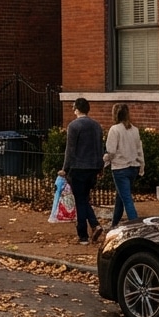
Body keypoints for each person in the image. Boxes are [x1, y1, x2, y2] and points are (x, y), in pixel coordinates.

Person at [63, 97, 105, 244]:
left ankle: (83, 235)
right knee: (84, 199)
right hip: (93, 167)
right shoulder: (96, 126)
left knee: (80, 201)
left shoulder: (73, 126)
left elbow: (70, 150)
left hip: (78, 168)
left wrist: (65, 168)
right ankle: (94, 225)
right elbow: (100, 148)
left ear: (77, 109)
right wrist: (100, 166)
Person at [105, 103, 144, 228]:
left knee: (126, 199)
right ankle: (114, 224)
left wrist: (104, 160)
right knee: (121, 196)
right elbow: (139, 150)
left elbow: (111, 151)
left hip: (120, 167)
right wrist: (141, 166)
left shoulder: (114, 129)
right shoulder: (135, 130)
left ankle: (136, 225)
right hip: (133, 167)